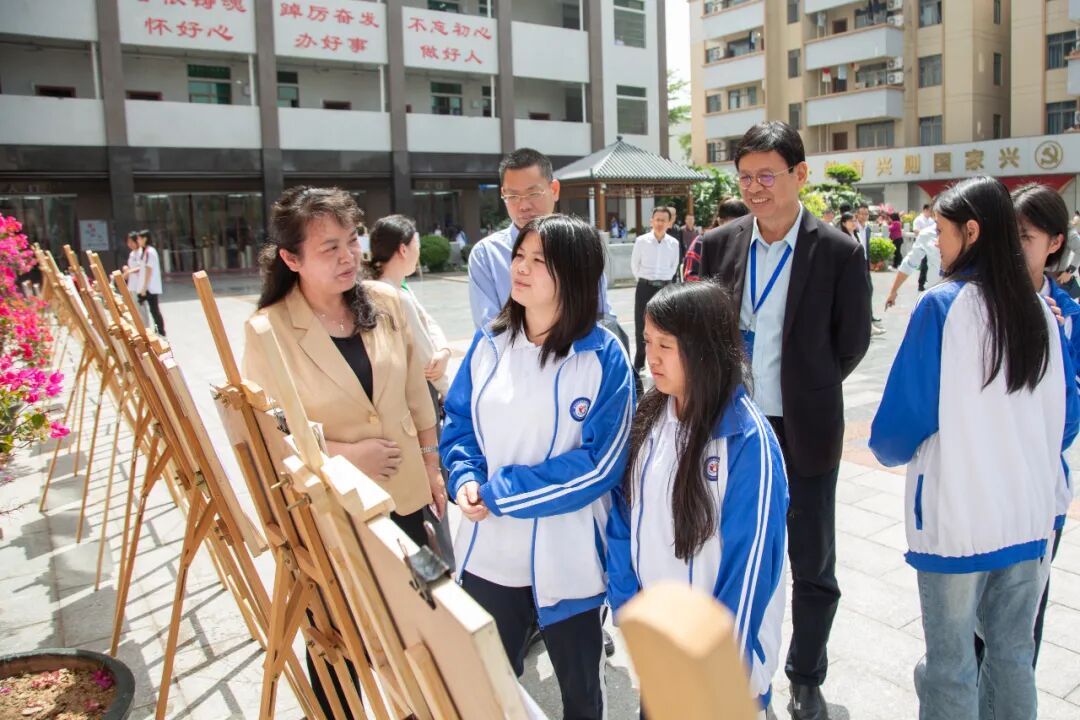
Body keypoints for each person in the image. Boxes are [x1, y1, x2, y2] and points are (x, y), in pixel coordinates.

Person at [869, 176, 1078, 720]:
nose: (934, 242)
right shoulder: (1043, 313)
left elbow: (895, 431)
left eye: (940, 230)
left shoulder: (944, 306)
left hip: (958, 520)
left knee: (951, 664)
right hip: (1030, 521)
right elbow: (1066, 421)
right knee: (1012, 657)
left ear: (973, 230)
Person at [241, 187, 449, 720]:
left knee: (418, 620)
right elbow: (269, 431)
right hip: (334, 510)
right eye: (327, 247)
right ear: (291, 259)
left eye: (351, 240)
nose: (347, 255)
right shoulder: (269, 330)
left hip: (404, 497)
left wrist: (432, 462)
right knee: (343, 634)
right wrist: (342, 453)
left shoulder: (387, 302)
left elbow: (414, 395)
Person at [697, 121, 871, 720]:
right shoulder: (720, 244)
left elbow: (851, 343)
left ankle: (805, 674)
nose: (754, 188)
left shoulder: (840, 252)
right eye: (744, 177)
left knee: (812, 560)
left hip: (804, 428)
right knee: (728, 546)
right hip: (733, 426)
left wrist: (805, 387)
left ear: (799, 175)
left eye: (766, 175)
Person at [441, 214, 633, 720]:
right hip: (489, 553)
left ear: (573, 274)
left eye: (539, 262)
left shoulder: (603, 356)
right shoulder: (490, 343)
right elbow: (459, 425)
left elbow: (601, 464)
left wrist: (502, 493)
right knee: (485, 689)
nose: (520, 270)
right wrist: (462, 479)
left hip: (568, 556)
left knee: (581, 698)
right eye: (518, 257)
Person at [606, 281, 788, 717]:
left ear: (704, 348)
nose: (651, 357)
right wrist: (628, 605)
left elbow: (749, 573)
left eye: (666, 345)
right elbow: (621, 515)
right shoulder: (650, 415)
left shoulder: (749, 442)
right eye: (648, 341)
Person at [1012, 182, 1080, 669]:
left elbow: (1070, 412)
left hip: (1039, 485)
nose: (1012, 247)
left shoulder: (1070, 316)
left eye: (1025, 236)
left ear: (1055, 242)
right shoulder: (976, 301)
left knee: (1025, 612)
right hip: (982, 484)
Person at [365, 214, 456, 564]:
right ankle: (441, 567)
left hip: (405, 400)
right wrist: (451, 390)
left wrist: (445, 350)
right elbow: (425, 357)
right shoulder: (394, 296)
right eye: (417, 245)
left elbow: (431, 330)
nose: (419, 252)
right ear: (403, 249)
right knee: (430, 493)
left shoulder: (393, 288)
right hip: (417, 404)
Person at [468, 148, 614, 330]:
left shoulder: (581, 247)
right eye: (512, 196)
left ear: (554, 189)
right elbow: (489, 329)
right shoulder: (486, 255)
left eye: (533, 194)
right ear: (503, 193)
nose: (523, 205)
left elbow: (601, 316)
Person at [631, 207, 680, 374]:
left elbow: (674, 267)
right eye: (657, 220)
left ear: (669, 223)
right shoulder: (641, 241)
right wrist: (646, 280)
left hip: (665, 287)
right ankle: (639, 361)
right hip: (645, 286)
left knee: (665, 325)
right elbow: (634, 266)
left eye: (663, 220)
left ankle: (664, 361)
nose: (659, 223)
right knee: (641, 323)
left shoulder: (674, 243)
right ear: (651, 221)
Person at [684, 198, 748, 282]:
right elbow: (690, 276)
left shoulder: (750, 242)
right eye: (731, 226)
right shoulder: (701, 242)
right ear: (720, 222)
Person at [884, 224, 943, 310]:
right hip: (935, 297)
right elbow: (909, 263)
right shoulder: (927, 234)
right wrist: (893, 291)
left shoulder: (966, 231)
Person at [136, 229, 166, 337]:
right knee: (151, 309)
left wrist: (144, 288)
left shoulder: (150, 252)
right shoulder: (144, 251)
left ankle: (160, 331)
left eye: (139, 239)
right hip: (147, 286)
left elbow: (149, 271)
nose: (138, 241)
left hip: (150, 287)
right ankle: (155, 329)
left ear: (145, 239)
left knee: (154, 309)